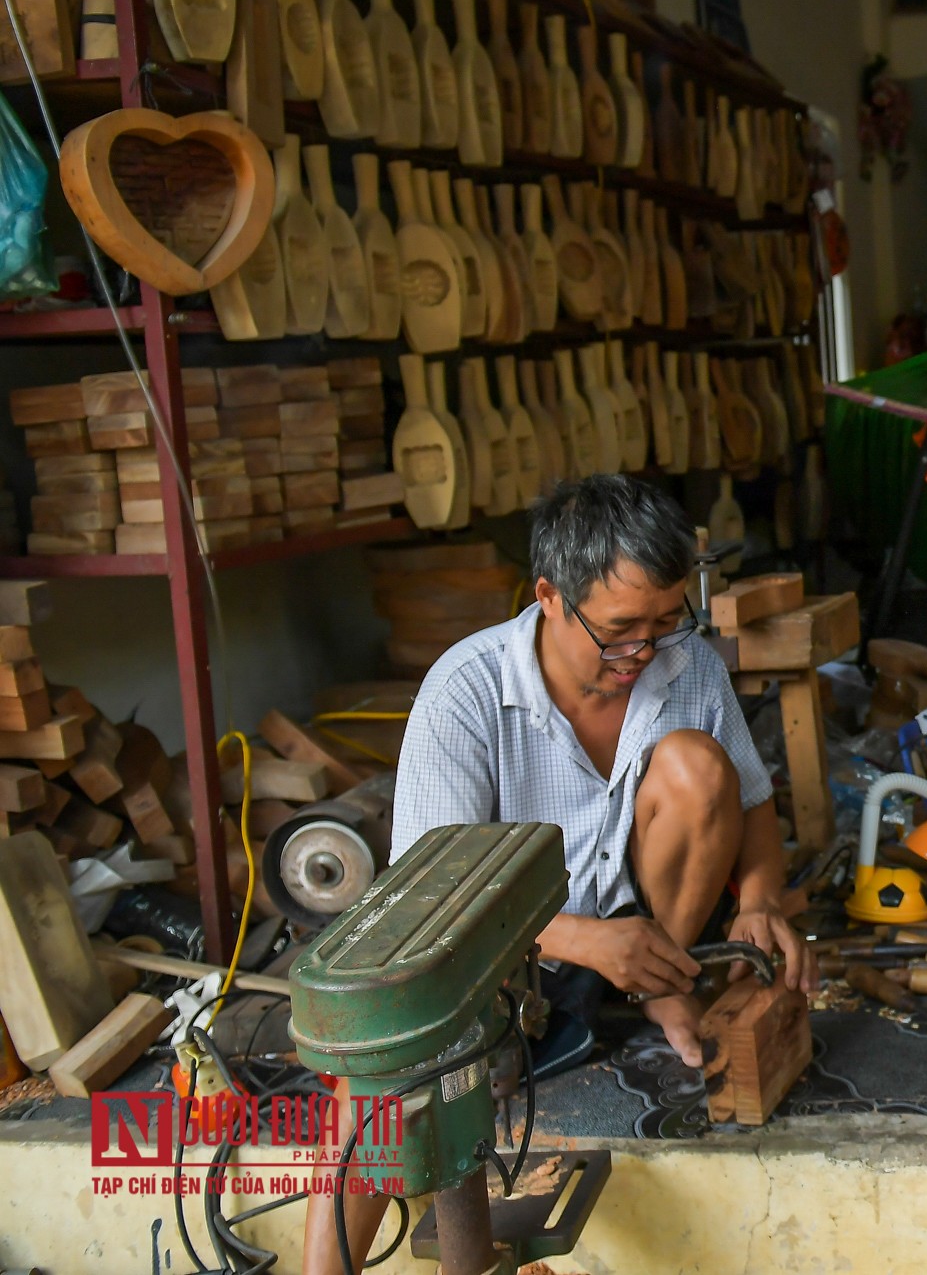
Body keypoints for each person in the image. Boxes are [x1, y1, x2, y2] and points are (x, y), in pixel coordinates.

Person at [304, 474, 813, 1274]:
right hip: (502, 962)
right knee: (383, 1057)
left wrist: (757, 899)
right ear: (549, 595)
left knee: (697, 768)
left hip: (652, 923)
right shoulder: (466, 693)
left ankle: (660, 983)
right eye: (619, 631)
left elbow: (748, 804)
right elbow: (425, 901)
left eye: (662, 622)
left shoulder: (684, 665)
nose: (642, 651)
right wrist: (579, 940)